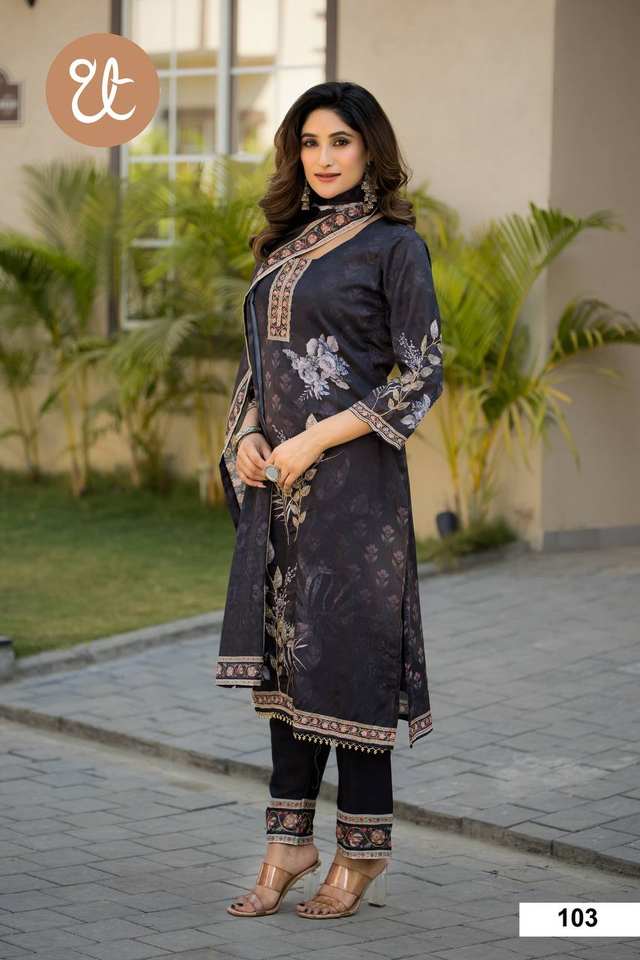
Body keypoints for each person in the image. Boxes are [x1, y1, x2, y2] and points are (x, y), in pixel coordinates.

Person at [215, 80, 444, 919]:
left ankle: (361, 851)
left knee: (348, 663)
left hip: (354, 494)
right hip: (279, 494)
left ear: (370, 148)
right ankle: (289, 841)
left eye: (340, 141)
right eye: (309, 143)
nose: (323, 157)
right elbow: (258, 365)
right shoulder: (284, 242)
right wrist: (246, 433)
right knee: (288, 670)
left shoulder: (394, 246)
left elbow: (423, 373)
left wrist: (314, 440)